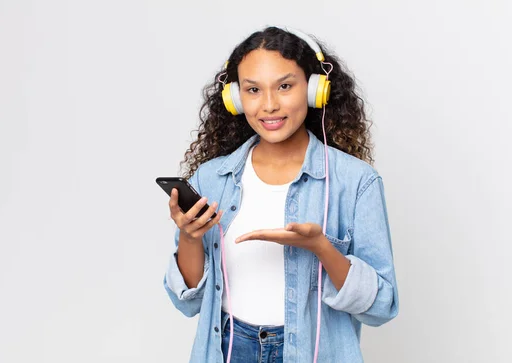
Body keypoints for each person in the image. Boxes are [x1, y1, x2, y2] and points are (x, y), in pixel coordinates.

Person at [163, 26, 399, 363]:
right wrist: (189, 236)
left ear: (315, 89)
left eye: (285, 86)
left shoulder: (356, 182)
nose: (269, 105)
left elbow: (381, 306)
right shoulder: (212, 178)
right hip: (228, 349)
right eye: (254, 90)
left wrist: (321, 247)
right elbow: (188, 302)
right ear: (236, 98)